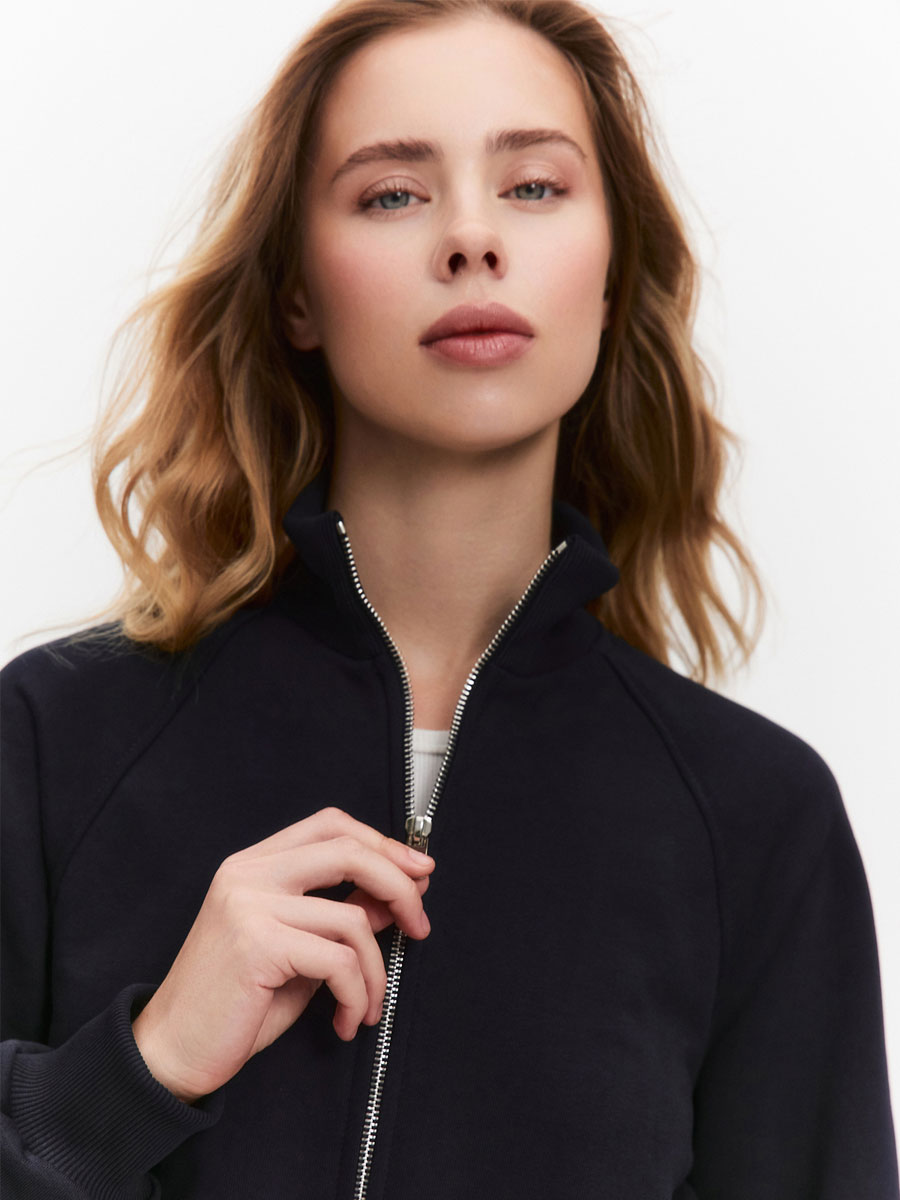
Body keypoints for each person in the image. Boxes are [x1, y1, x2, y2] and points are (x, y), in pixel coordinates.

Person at [2, 0, 897, 1195]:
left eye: (533, 187)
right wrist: (143, 1067)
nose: (473, 239)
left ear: (610, 272)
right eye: (392, 195)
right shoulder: (55, 744)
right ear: (297, 293)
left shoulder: (758, 824)